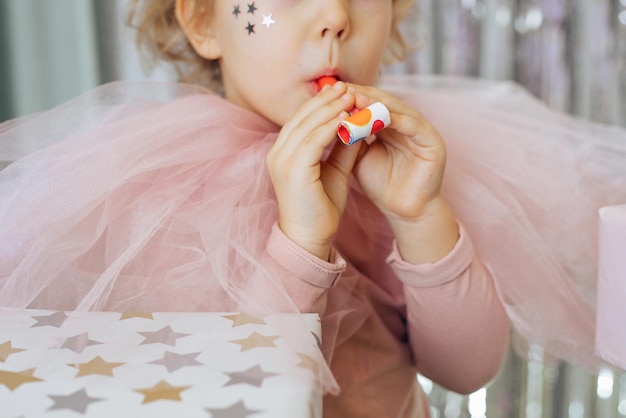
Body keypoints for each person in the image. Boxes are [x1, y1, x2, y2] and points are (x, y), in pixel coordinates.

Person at [0, 0, 624, 417]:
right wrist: (300, 241)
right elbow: (237, 393)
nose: (334, 16)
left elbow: (466, 371)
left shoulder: (396, 157)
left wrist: (419, 215)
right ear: (202, 21)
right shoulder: (161, 193)